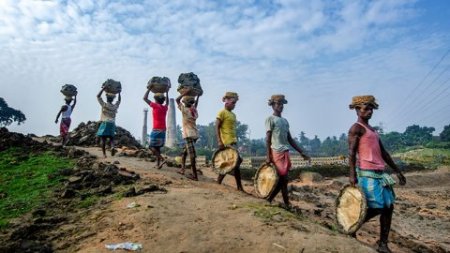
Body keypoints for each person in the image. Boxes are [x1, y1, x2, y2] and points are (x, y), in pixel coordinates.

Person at [347, 95, 406, 253]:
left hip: (379, 174)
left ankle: (383, 244)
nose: (369, 111)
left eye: (371, 108)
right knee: (375, 207)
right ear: (357, 110)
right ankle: (350, 227)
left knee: (388, 207)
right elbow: (351, 153)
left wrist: (398, 171)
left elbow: (384, 153)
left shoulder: (372, 130)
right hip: (367, 173)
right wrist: (352, 175)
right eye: (366, 108)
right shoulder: (356, 128)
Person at [265, 94, 310, 208]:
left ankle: (285, 203)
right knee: (283, 178)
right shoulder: (270, 119)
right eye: (278, 104)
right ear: (273, 105)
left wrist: (301, 151)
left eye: (282, 104)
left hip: (285, 152)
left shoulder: (285, 121)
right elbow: (268, 138)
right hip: (276, 151)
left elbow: (289, 139)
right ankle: (272, 199)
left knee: (284, 180)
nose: (281, 106)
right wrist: (268, 155)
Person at [215, 92, 245, 192]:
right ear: (226, 101)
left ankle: (236, 186)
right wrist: (219, 141)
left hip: (233, 141)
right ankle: (238, 186)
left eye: (235, 103)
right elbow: (217, 127)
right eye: (233, 102)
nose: (234, 105)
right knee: (235, 162)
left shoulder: (233, 115)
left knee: (233, 163)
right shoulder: (221, 113)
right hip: (226, 142)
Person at [176, 88, 200, 181]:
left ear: (185, 102)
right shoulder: (194, 110)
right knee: (184, 153)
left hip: (188, 135)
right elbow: (196, 105)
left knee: (192, 155)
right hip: (194, 134)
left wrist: (185, 93)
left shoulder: (184, 110)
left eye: (184, 101)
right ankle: (182, 169)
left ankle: (195, 175)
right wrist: (197, 96)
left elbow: (177, 100)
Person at [143, 87, 169, 169]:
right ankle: (158, 164)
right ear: (163, 100)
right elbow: (167, 103)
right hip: (163, 130)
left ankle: (162, 159)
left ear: (156, 99)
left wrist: (149, 89)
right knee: (157, 147)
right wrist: (167, 92)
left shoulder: (155, 106)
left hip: (156, 129)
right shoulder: (165, 108)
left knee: (151, 147)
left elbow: (144, 98)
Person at [96, 87, 121, 158]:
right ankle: (112, 147)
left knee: (103, 139)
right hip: (112, 123)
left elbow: (98, 96)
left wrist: (103, 89)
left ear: (107, 98)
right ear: (113, 99)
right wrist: (119, 93)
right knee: (111, 138)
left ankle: (104, 154)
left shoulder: (104, 105)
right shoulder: (115, 107)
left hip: (105, 123)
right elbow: (119, 101)